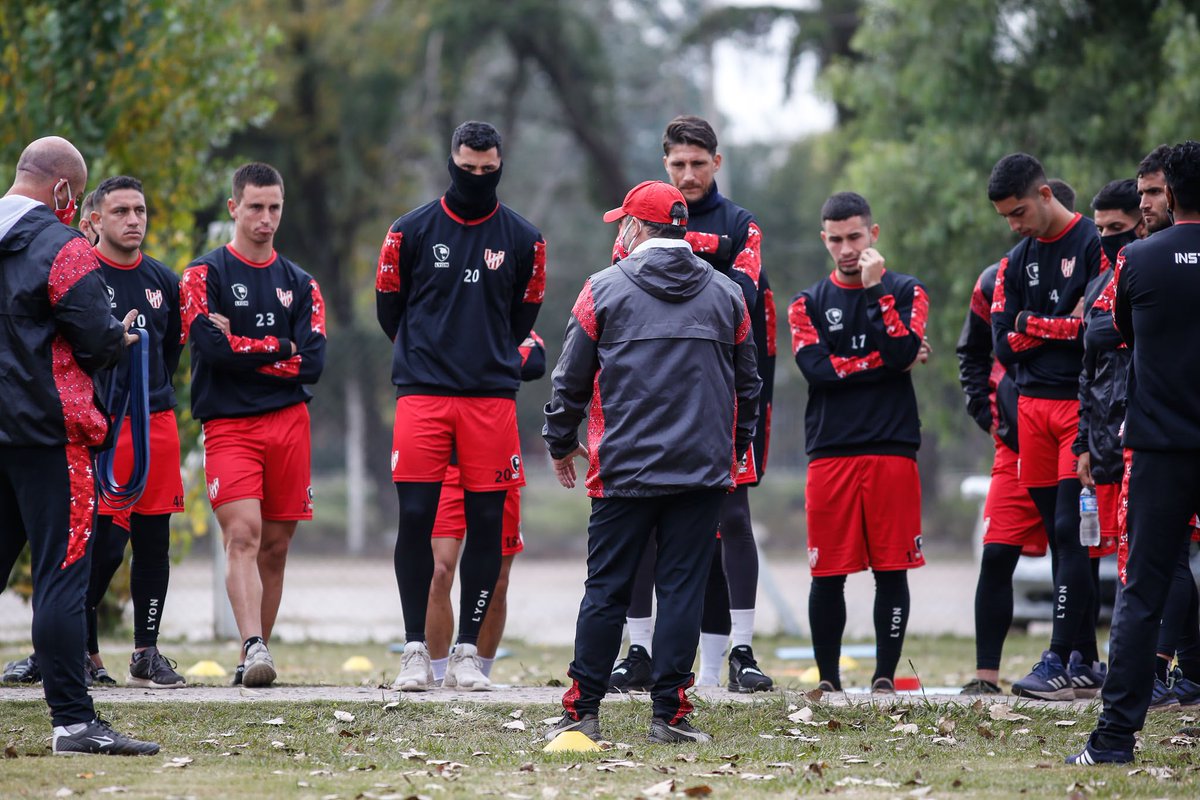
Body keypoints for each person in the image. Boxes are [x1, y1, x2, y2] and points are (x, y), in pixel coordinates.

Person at [543, 179, 760, 744]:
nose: (619, 231)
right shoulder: (728, 295)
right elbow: (749, 386)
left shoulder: (601, 291)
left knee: (606, 589)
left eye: (622, 223)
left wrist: (559, 440)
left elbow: (569, 379)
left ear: (636, 229)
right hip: (702, 473)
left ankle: (582, 710)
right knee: (683, 590)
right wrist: (731, 453)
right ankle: (670, 714)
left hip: (622, 471)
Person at [0, 135, 158, 755]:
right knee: (63, 576)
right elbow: (94, 340)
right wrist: (123, 339)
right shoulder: (63, 249)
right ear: (65, 191)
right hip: (51, 434)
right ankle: (74, 722)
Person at [608, 115, 777, 695]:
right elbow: (621, 286)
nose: (687, 175)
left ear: (717, 163)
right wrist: (706, 256)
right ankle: (638, 649)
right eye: (677, 164)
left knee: (728, 517)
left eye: (698, 164)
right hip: (649, 392)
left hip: (722, 389)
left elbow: (742, 297)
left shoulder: (742, 225)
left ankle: (740, 650)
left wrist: (685, 252)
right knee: (648, 518)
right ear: (665, 164)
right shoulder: (640, 216)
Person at [377, 121, 545, 692]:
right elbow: (389, 311)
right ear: (452, 161)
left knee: (488, 525)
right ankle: (415, 652)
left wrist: (483, 356)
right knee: (417, 521)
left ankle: (470, 654)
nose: (477, 178)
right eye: (468, 169)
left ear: (502, 163)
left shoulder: (526, 239)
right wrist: (433, 355)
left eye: (488, 169)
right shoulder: (409, 231)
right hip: (422, 395)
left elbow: (523, 318)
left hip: (490, 400)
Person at [1069, 141, 1200, 765]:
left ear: (1169, 195)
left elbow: (1114, 329)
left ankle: (1114, 740)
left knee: (1141, 591)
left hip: (1159, 449)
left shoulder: (1138, 260)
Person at [181, 162, 327, 687]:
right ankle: (252, 642)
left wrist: (251, 349)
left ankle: (253, 661)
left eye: (274, 208)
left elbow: (311, 363)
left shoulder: (303, 285)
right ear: (234, 209)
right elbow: (211, 351)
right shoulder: (204, 275)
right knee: (242, 534)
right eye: (256, 207)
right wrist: (279, 348)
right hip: (229, 424)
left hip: (290, 423)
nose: (266, 219)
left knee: (276, 544)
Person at [787, 191, 929, 694]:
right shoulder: (805, 303)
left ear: (874, 234)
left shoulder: (907, 291)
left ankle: (885, 678)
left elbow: (899, 349)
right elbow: (818, 372)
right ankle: (828, 681)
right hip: (830, 451)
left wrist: (875, 293)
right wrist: (890, 363)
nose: (847, 248)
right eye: (836, 239)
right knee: (828, 573)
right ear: (823, 239)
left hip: (892, 448)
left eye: (855, 236)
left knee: (892, 570)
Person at [988, 153, 1103, 700]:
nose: (1015, 224)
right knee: (1062, 541)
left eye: (1018, 212)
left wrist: (1030, 325)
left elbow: (1094, 333)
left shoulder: (1095, 245)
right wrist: (1054, 326)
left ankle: (1057, 658)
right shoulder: (1015, 261)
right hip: (1030, 407)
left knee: (1067, 530)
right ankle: (1086, 658)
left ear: (1044, 195)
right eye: (1006, 217)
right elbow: (1001, 343)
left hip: (1075, 408)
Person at [84, 176, 186, 689]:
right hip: (103, 424)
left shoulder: (166, 281)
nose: (133, 220)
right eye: (120, 210)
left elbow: (169, 352)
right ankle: (83, 649)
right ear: (96, 220)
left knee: (153, 541)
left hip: (157, 419)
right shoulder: (81, 275)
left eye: (140, 210)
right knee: (103, 543)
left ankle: (146, 650)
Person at [424, 332, 546, 684]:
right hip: (446, 466)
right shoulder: (439, 311)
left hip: (495, 460)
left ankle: (477, 670)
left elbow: (534, 357)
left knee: (499, 580)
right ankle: (435, 674)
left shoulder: (499, 313)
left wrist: (473, 355)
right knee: (439, 571)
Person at [956, 260, 1048, 694]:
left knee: (1079, 555)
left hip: (1069, 440)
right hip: (1012, 447)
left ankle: (1080, 663)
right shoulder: (992, 278)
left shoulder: (1091, 263)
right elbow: (971, 352)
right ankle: (986, 676)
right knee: (996, 556)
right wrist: (986, 412)